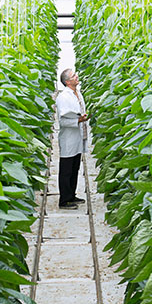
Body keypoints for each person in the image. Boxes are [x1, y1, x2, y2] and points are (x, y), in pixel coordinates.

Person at [56, 69, 90, 210]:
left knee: (75, 167)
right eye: (74, 76)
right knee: (66, 170)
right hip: (68, 139)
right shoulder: (63, 97)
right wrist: (78, 120)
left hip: (77, 137)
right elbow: (62, 121)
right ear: (67, 82)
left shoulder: (77, 93)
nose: (77, 77)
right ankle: (64, 200)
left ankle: (71, 195)